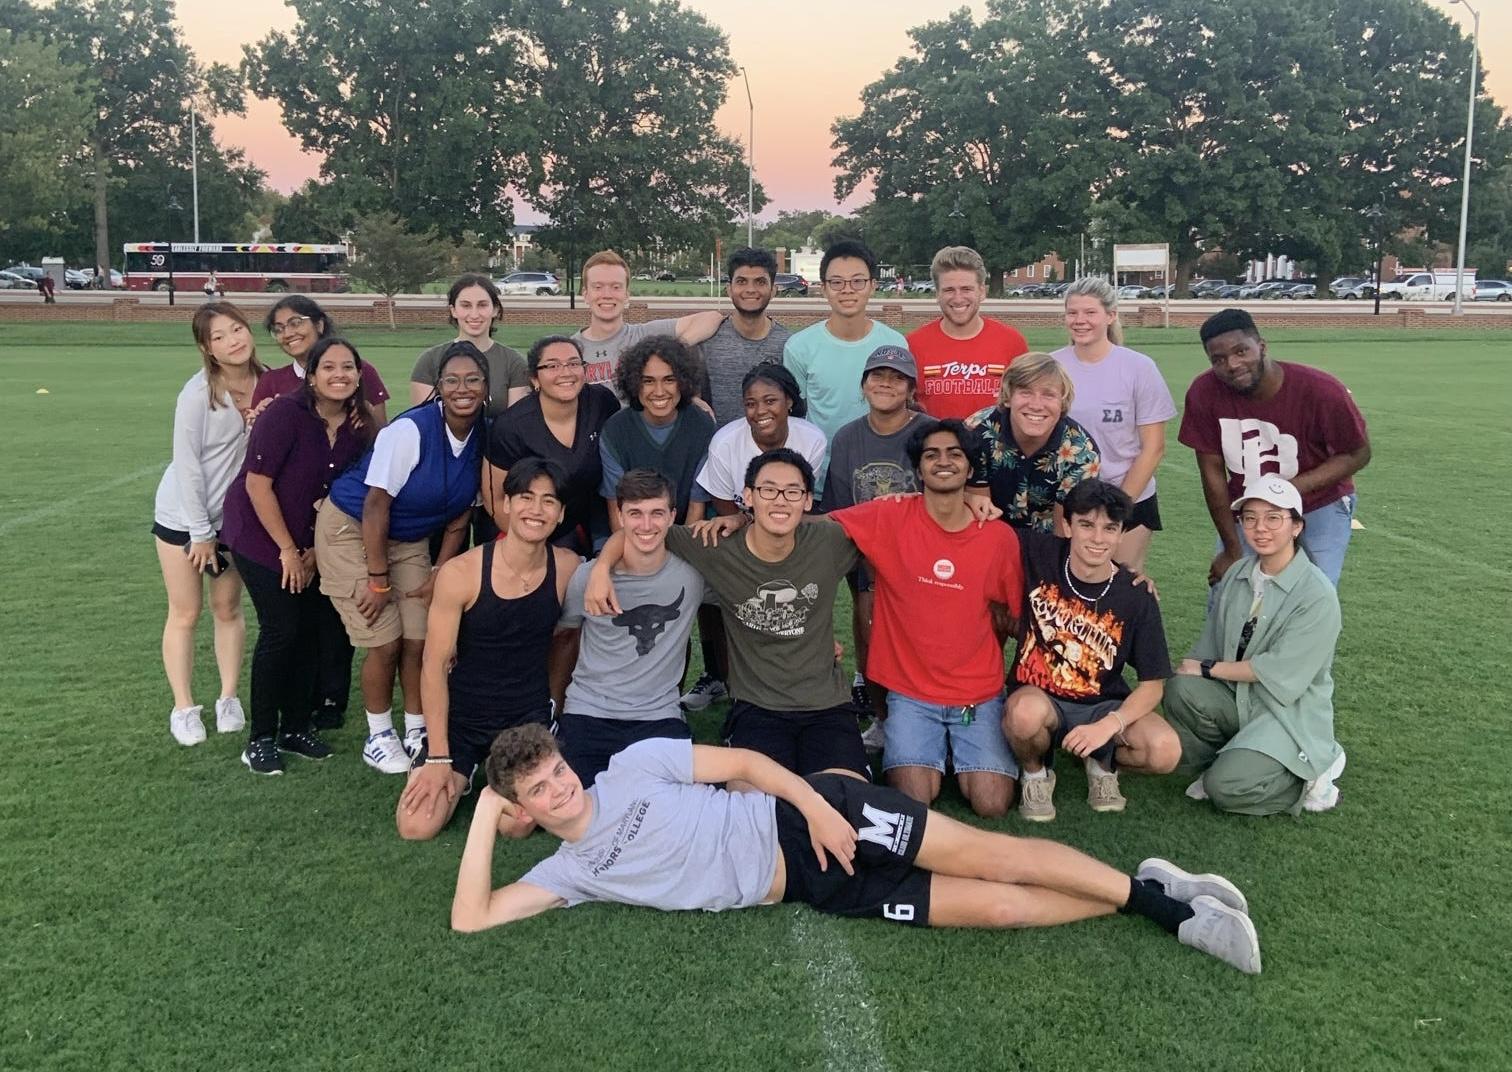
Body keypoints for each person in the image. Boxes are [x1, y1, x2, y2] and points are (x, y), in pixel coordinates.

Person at [450, 726, 1266, 976]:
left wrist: (818, 808)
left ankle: (1172, 910)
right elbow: (473, 919)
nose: (563, 790)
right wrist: (485, 813)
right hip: (814, 889)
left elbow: (746, 767)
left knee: (994, 856)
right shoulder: (567, 873)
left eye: (559, 772)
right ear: (525, 808)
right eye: (542, 792)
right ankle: (1143, 884)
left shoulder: (629, 768)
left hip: (810, 820)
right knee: (1005, 907)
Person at [587, 449, 867, 781]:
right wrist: (601, 569)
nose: (780, 500)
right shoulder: (715, 544)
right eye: (768, 490)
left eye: (792, 491)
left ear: (807, 500)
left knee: (846, 801)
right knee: (750, 806)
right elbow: (642, 529)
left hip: (827, 706)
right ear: (748, 496)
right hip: (757, 707)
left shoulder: (829, 540)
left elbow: (888, 523)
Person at [828, 420, 1024, 818]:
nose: (943, 462)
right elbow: (823, 527)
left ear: (970, 469)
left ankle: (958, 747)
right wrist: (754, 519)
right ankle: (927, 744)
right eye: (931, 455)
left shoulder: (998, 538)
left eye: (955, 454)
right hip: (911, 693)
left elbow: (1014, 618)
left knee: (991, 803)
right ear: (918, 469)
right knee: (913, 800)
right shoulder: (890, 516)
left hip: (977, 694)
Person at [317, 342, 487, 775]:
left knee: (420, 637)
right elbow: (375, 507)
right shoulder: (411, 431)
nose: (462, 389)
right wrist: (378, 579)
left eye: (472, 380)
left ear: (487, 386)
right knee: (384, 639)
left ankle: (416, 728)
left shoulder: (485, 431)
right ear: (438, 387)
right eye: (451, 380)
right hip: (353, 530)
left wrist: (439, 570)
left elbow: (461, 514)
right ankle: (378, 735)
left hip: (410, 539)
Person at [395, 459, 580, 840]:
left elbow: (568, 639)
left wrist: (554, 705)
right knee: (416, 826)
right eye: (526, 498)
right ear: (506, 504)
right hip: (462, 720)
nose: (536, 510)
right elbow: (432, 665)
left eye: (549, 501)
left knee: (518, 827)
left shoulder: (567, 568)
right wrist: (439, 756)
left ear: (560, 514)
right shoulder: (461, 574)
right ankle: (466, 771)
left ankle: (490, 786)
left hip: (525, 720)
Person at [220, 337, 375, 774]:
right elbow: (257, 485)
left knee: (310, 631)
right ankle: (261, 737)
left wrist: (309, 552)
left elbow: (336, 494)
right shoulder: (285, 414)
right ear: (312, 375)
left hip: (309, 542)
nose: (339, 375)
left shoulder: (357, 427)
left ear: (359, 375)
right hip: (259, 536)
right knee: (281, 630)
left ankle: (295, 727)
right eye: (329, 367)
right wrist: (288, 550)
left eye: (348, 367)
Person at [1164, 476, 1346, 816]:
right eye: (1250, 518)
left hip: (1287, 713)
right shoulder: (1239, 574)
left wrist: (1207, 669)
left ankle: (1313, 776)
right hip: (1241, 699)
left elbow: (1277, 671)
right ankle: (1232, 757)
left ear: (1296, 526)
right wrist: (1190, 669)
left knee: (1227, 789)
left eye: (1273, 518)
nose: (1260, 527)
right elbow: (1210, 643)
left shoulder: (1316, 594)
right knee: (1180, 688)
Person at [1002, 479, 1181, 822]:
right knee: (1023, 715)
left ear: (1120, 533)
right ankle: (1036, 774)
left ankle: (1101, 763)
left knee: (1164, 750)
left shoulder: (1135, 594)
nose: (1098, 539)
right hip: (1042, 697)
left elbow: (1153, 684)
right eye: (1086, 525)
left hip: (1102, 703)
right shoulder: (1037, 553)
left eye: (1109, 528)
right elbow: (970, 522)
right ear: (1068, 525)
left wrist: (1110, 725)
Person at [1180, 308, 1370, 587]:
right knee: (1230, 593)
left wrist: (1285, 490)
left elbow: (1358, 452)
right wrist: (1232, 549)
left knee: (1312, 594)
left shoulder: (1321, 390)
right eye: (1218, 359)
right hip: (1248, 508)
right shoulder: (1204, 392)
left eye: (1241, 351)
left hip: (1318, 504)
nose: (1232, 365)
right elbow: (1212, 474)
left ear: (1262, 346)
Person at [682, 364, 826, 712]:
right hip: (738, 534)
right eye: (750, 403)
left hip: (791, 534)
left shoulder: (812, 440)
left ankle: (798, 679)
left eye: (770, 400)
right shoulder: (725, 442)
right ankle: (728, 685)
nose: (760, 411)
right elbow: (726, 509)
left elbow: (799, 509)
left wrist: (750, 518)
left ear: (789, 401)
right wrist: (744, 522)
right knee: (724, 603)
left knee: (786, 608)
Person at [152, 303, 262, 746]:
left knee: (228, 609)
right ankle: (183, 707)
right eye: (220, 336)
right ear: (207, 347)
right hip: (183, 516)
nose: (233, 340)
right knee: (186, 611)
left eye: (237, 329)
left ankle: (228, 698)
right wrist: (200, 533)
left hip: (231, 518)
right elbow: (188, 467)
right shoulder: (196, 394)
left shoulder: (267, 381)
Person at [555, 469, 705, 786]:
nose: (647, 525)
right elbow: (565, 638)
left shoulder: (692, 577)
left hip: (658, 716)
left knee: (669, 807)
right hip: (589, 711)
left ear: (673, 515)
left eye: (657, 513)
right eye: (635, 513)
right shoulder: (588, 578)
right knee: (577, 804)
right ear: (620, 516)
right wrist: (555, 710)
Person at [821, 344, 930, 733]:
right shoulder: (848, 437)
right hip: (866, 553)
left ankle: (921, 714)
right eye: (877, 376)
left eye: (897, 377)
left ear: (911, 388)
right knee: (867, 627)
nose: (886, 384)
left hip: (920, 556)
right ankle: (882, 718)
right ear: (864, 385)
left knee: (919, 637)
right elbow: (839, 506)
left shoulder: (928, 432)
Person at [1051, 277, 1176, 575]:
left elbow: (1154, 447)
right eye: (1072, 313)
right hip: (1066, 502)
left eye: (1090, 312)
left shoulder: (1139, 367)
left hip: (1129, 500)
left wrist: (1115, 509)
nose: (1080, 320)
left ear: (1111, 315)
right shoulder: (1050, 365)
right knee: (1066, 591)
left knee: (1118, 591)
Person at [782, 239, 908, 480]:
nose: (847, 290)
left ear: (872, 285)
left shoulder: (894, 345)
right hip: (819, 473)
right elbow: (795, 417)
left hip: (880, 473)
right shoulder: (799, 347)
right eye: (837, 282)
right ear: (824, 287)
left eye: (858, 281)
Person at [483, 335, 618, 557]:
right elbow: (495, 500)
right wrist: (530, 546)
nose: (566, 372)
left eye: (574, 363)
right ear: (535, 379)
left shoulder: (602, 403)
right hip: (526, 528)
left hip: (589, 524)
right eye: (553, 365)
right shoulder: (511, 427)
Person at [965, 352, 1100, 534]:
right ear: (1007, 397)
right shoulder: (976, 432)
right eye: (1025, 392)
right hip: (991, 535)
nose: (1036, 405)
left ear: (1062, 403)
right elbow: (980, 512)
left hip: (1048, 541)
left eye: (1048, 395)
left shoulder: (1082, 452)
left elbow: (1065, 530)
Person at [598, 336, 716, 528]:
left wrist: (677, 556)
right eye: (648, 381)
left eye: (669, 380)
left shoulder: (702, 426)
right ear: (635, 384)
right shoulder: (615, 431)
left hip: (684, 532)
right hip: (632, 532)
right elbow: (616, 510)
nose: (659, 391)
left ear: (683, 382)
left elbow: (697, 507)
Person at [572, 250, 722, 393]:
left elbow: (711, 318)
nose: (607, 295)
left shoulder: (646, 336)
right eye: (598, 287)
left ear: (626, 295)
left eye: (616, 287)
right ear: (585, 295)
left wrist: (673, 349)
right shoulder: (570, 350)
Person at [906, 246, 1028, 420]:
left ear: (982, 292)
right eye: (949, 290)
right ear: (937, 294)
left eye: (966, 289)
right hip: (936, 445)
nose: (958, 298)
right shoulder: (913, 345)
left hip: (995, 446)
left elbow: (1026, 403)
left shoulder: (1012, 343)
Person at [255, 295, 390, 427]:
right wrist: (263, 416)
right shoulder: (270, 381)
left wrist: (367, 414)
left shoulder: (357, 370)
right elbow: (258, 439)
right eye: (279, 329)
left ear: (319, 325)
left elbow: (382, 434)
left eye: (295, 323)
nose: (288, 334)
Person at [408, 274, 530, 417]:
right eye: (466, 305)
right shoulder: (430, 360)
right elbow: (425, 422)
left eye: (482, 305)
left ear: (495, 310)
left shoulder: (514, 363)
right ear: (453, 310)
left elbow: (515, 425)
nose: (474, 314)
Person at [702, 247, 793, 426]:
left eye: (760, 282)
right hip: (719, 447)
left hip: (771, 450)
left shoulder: (788, 345)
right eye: (742, 281)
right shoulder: (708, 339)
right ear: (729, 289)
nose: (750, 289)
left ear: (773, 290)